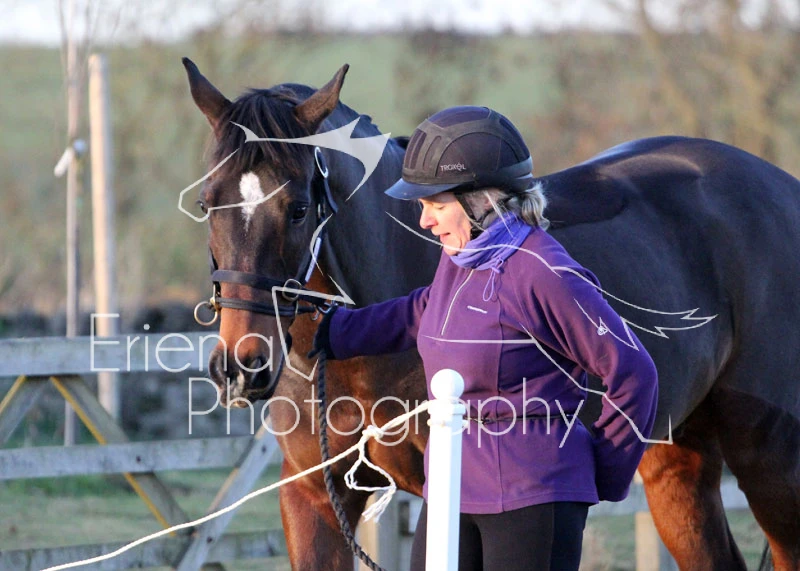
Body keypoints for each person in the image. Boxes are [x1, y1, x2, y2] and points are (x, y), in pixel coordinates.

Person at [312, 106, 659, 570]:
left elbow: (634, 372)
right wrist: (332, 331)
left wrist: (603, 471)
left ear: (484, 200)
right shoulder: (461, 258)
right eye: (422, 207)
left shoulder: (544, 270)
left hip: (533, 494)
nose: (425, 221)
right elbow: (425, 309)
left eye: (436, 205)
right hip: (451, 484)